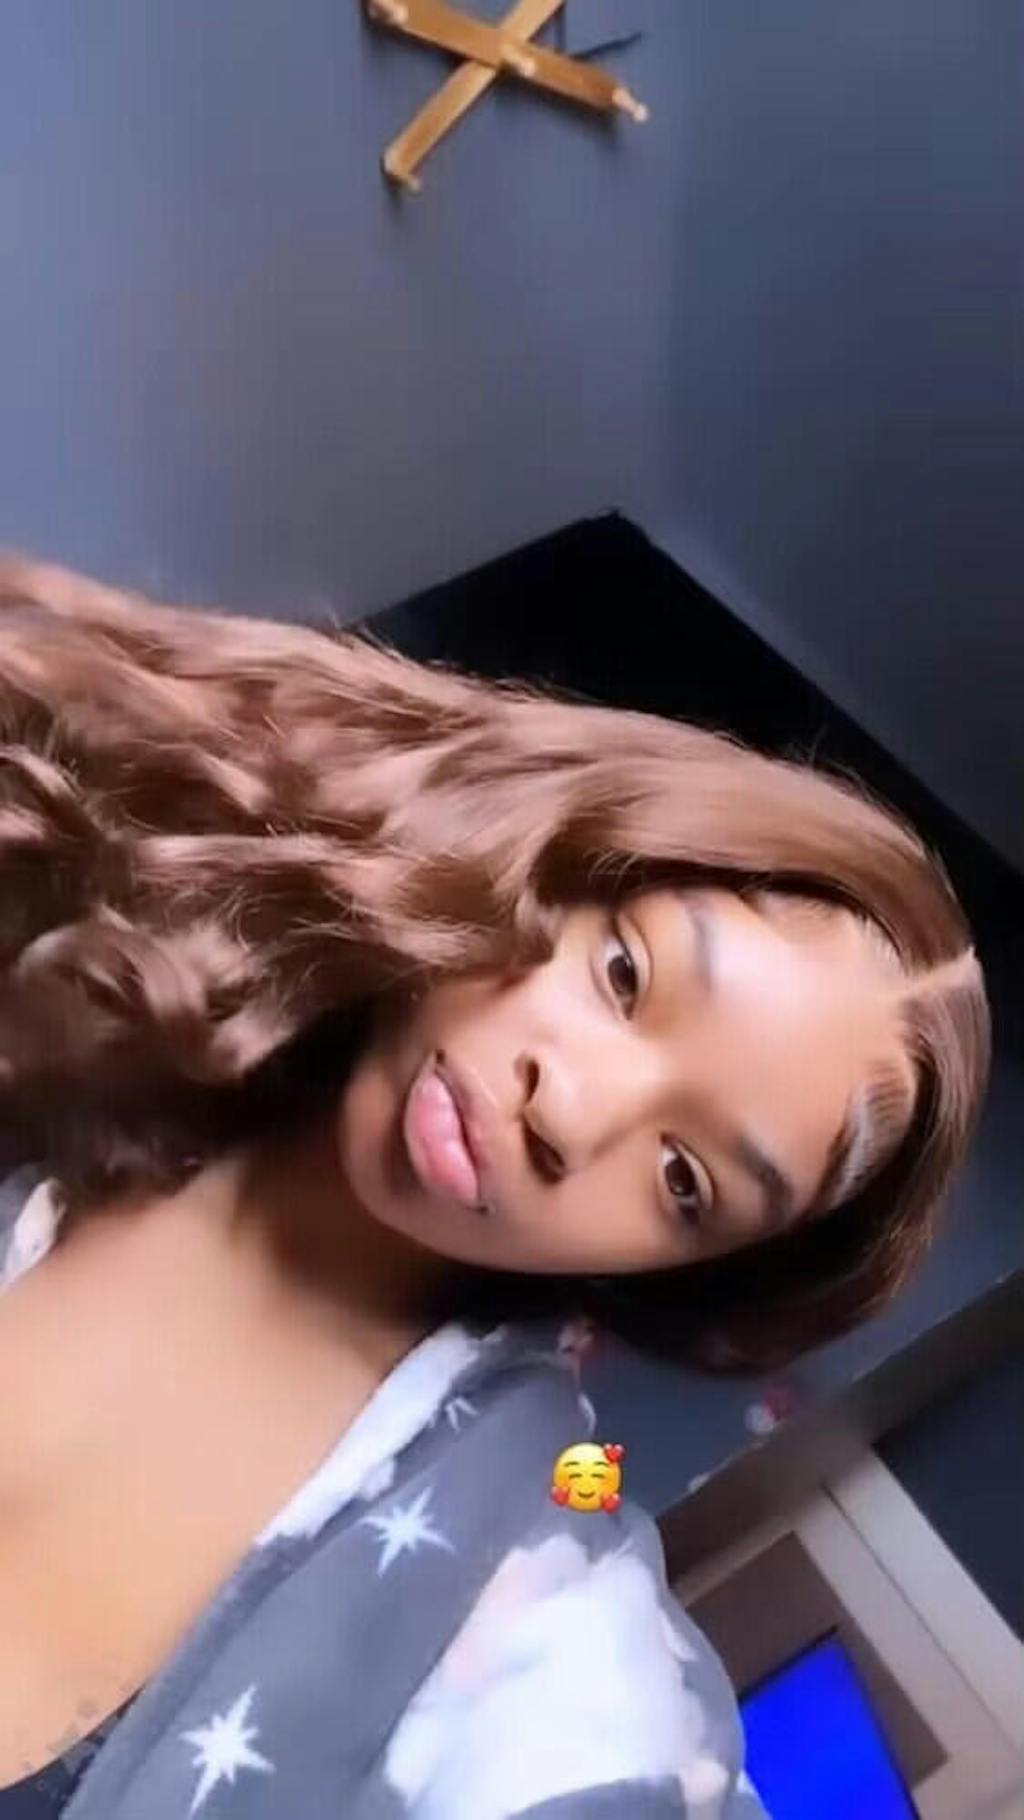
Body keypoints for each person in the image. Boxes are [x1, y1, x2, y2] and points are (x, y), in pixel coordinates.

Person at [0, 557, 988, 1819]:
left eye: (682, 1177)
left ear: (683, 1271)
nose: (567, 1108)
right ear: (558, 859)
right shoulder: (83, 930)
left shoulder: (536, 1622)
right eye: (623, 976)